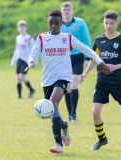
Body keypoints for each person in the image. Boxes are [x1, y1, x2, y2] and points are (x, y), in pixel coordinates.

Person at [25, 9, 111, 154]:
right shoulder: (41, 38)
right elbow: (33, 54)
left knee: (52, 103)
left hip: (63, 77)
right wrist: (32, 62)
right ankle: (64, 125)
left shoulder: (68, 38)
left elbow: (86, 49)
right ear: (48, 23)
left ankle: (58, 144)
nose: (53, 26)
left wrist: (100, 61)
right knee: (54, 110)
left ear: (61, 24)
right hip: (47, 80)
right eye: (51, 23)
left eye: (56, 23)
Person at [79, 10, 121, 150]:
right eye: (106, 23)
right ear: (103, 22)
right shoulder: (99, 40)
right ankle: (102, 139)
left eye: (111, 23)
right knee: (95, 112)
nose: (108, 26)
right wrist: (85, 74)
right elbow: (94, 59)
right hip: (102, 81)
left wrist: (115, 66)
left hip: (118, 81)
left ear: (117, 24)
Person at [60, 2, 91, 122]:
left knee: (73, 84)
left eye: (68, 8)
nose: (66, 10)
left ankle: (74, 114)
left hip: (78, 57)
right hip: (63, 58)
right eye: (64, 8)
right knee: (67, 87)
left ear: (72, 11)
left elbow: (86, 40)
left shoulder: (80, 22)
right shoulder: (59, 24)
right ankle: (70, 115)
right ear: (61, 11)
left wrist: (88, 58)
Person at [11, 20, 35, 99]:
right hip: (19, 59)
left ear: (26, 28)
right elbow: (16, 49)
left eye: (23, 27)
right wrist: (13, 61)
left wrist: (34, 61)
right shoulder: (18, 38)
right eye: (20, 27)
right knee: (18, 78)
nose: (21, 29)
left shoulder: (29, 38)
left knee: (21, 76)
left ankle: (31, 89)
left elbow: (34, 50)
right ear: (18, 28)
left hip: (26, 60)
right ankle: (19, 96)